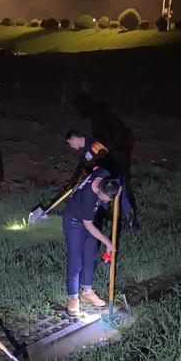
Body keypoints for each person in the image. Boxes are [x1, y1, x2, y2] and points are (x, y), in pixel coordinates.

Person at [62, 171, 120, 316]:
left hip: (89, 221)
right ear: (99, 190)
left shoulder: (104, 174)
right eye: (104, 199)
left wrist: (118, 189)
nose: (106, 202)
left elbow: (100, 170)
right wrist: (107, 242)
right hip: (75, 221)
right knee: (76, 261)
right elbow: (88, 225)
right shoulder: (89, 197)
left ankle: (87, 292)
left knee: (90, 255)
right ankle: (73, 298)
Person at [65, 130, 139, 230]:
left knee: (117, 198)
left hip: (112, 174)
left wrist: (97, 169)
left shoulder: (93, 144)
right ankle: (107, 222)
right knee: (108, 198)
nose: (71, 146)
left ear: (75, 139)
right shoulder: (87, 148)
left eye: (70, 143)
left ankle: (131, 225)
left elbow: (104, 153)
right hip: (109, 174)